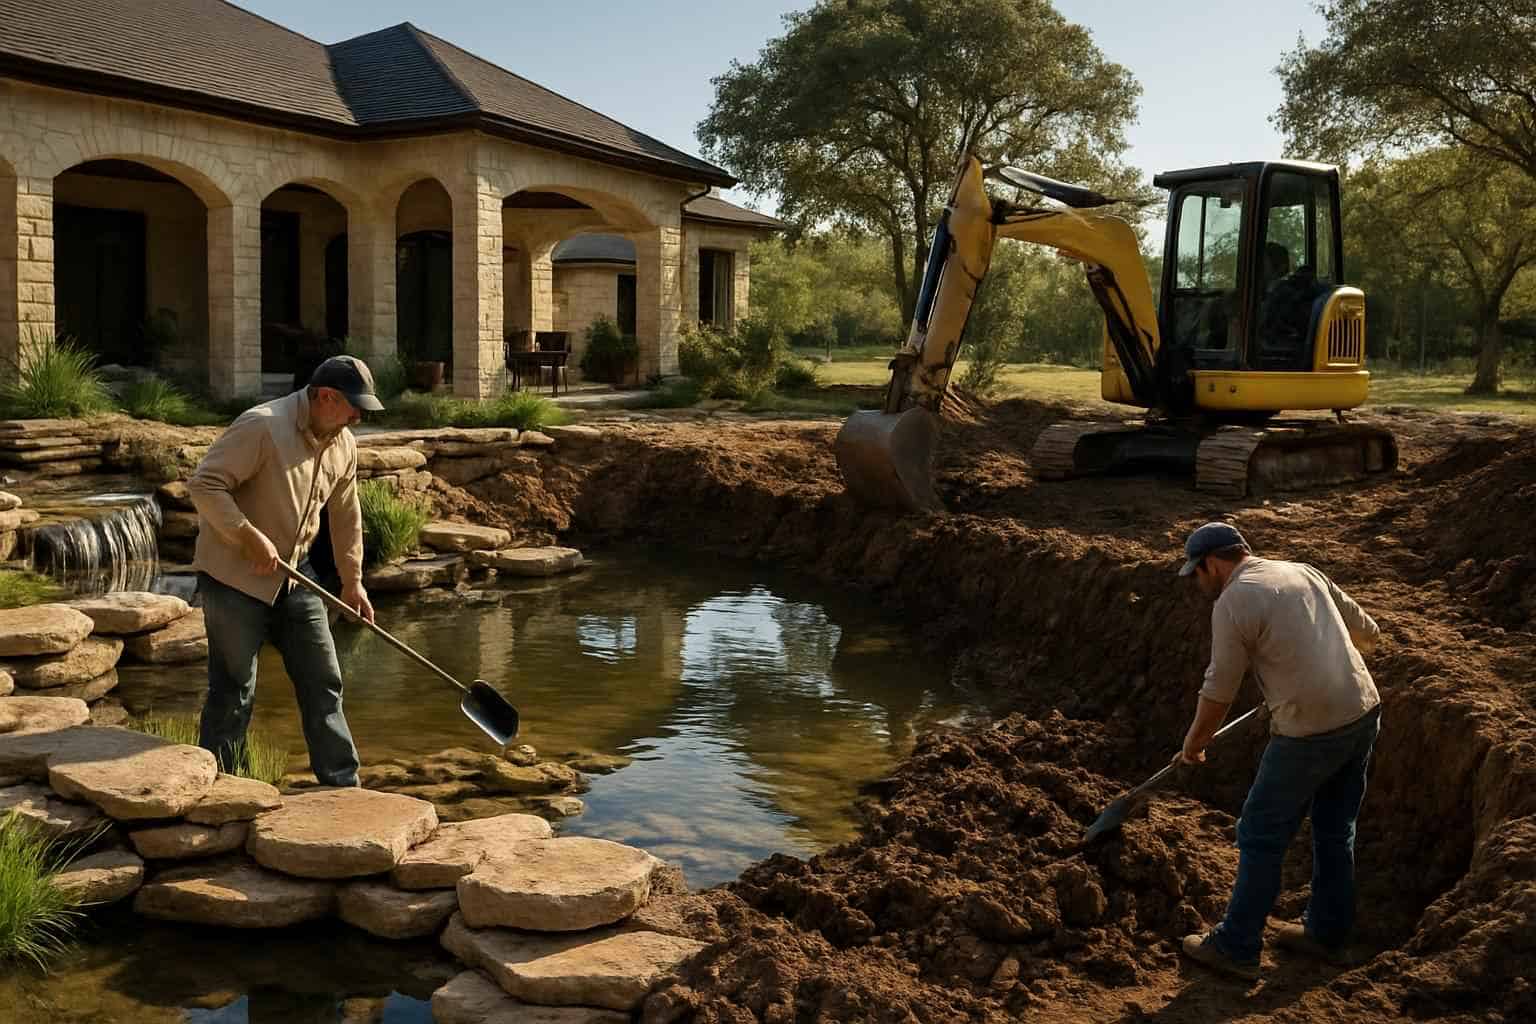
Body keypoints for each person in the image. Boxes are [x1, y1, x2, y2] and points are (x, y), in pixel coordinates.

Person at [1174, 522, 1382, 980]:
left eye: (1198, 574)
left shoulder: (1233, 601)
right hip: (1363, 711)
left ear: (1212, 563)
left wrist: (1193, 745)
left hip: (1309, 730)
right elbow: (1369, 633)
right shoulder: (1302, 571)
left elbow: (1219, 691)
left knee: (1260, 833)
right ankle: (1326, 934)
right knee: (1334, 827)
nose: (1199, 584)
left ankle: (1236, 945)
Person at [185, 355, 383, 787]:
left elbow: (346, 515)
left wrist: (353, 582)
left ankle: (343, 784)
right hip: (233, 579)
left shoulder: (343, 442)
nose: (358, 417)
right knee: (234, 689)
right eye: (354, 408)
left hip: (297, 577)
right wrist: (247, 535)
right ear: (326, 397)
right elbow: (204, 484)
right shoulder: (262, 426)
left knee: (324, 680)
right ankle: (225, 789)